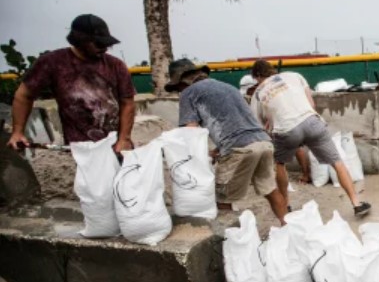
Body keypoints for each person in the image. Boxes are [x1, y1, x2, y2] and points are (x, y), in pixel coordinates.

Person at [165, 59, 287, 223]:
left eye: (178, 88)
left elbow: (190, 132)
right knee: (270, 190)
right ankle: (289, 228)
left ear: (181, 82)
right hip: (263, 142)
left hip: (239, 148)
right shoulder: (228, 87)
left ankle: (229, 244)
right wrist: (217, 149)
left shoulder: (189, 93)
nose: (179, 92)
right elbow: (238, 124)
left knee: (223, 199)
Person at [249, 59, 371, 218]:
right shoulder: (294, 76)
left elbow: (258, 125)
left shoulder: (258, 93)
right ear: (272, 70)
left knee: (280, 164)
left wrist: (272, 125)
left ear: (257, 76)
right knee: (337, 162)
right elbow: (311, 104)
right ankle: (356, 203)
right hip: (312, 122)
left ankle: (285, 205)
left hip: (286, 130)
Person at [5, 14, 136, 153]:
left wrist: (124, 139)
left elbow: (127, 103)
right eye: (98, 44)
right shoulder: (53, 63)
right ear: (80, 41)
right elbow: (24, 95)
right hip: (80, 149)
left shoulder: (115, 65)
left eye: (106, 44)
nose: (104, 48)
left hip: (115, 146)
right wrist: (17, 132)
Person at [240, 72, 311, 184]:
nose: (248, 94)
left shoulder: (266, 91)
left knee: (295, 148)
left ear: (254, 85)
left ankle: (305, 175)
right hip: (276, 123)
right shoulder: (259, 95)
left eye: (249, 90)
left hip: (284, 123)